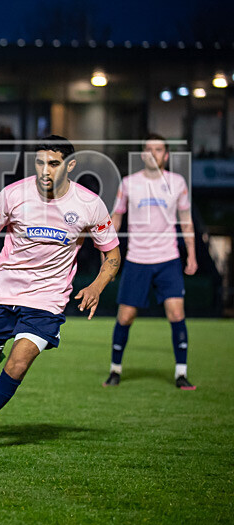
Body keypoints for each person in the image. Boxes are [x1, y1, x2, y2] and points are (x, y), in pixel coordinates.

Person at [0, 135, 121, 455]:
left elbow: (112, 253)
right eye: (39, 162)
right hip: (4, 290)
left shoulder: (89, 204)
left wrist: (96, 286)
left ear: (70, 166)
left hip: (47, 299)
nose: (44, 170)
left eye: (53, 164)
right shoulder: (13, 194)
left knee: (18, 365)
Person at [104, 134, 197, 390]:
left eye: (158, 149)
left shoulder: (177, 182)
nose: (153, 153)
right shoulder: (129, 183)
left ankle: (181, 373)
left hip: (168, 259)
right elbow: (116, 220)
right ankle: (115, 370)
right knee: (125, 317)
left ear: (166, 155)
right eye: (148, 149)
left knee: (177, 313)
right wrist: (108, 256)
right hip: (137, 259)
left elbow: (186, 220)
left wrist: (192, 254)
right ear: (143, 154)